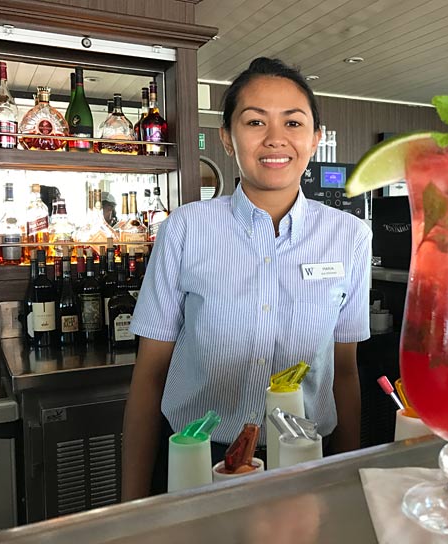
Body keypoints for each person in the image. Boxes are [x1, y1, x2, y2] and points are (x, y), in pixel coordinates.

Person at [122, 57, 372, 500]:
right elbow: (150, 374)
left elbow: (345, 373)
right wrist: (132, 507)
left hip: (308, 460)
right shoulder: (185, 228)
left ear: (315, 139)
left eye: (293, 122)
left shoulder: (349, 235)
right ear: (227, 137)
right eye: (255, 121)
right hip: (197, 463)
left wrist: (348, 482)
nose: (276, 138)